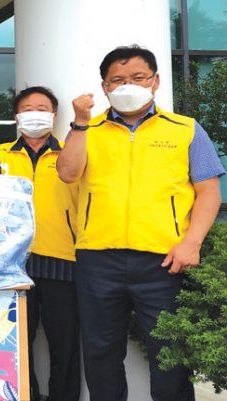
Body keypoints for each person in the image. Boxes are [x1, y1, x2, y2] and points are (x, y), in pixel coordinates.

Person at [57, 45, 224, 401]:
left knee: (169, 355)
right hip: (98, 259)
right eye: (117, 80)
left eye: (137, 77)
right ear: (104, 87)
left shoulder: (186, 130)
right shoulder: (87, 130)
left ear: (155, 81)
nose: (127, 86)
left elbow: (208, 193)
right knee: (100, 353)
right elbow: (68, 173)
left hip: (165, 260)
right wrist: (80, 123)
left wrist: (191, 242)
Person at [0, 86, 80, 401]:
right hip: (12, 263)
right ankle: (24, 395)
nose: (34, 114)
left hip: (62, 260)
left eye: (42, 109)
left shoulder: (70, 153)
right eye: (27, 109)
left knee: (64, 344)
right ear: (17, 117)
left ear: (54, 116)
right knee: (15, 343)